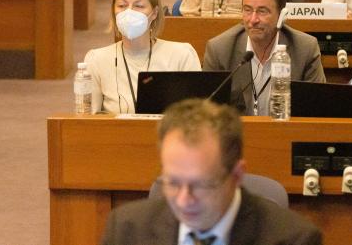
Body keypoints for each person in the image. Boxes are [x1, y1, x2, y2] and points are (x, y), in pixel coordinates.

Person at [102, 98, 323, 245]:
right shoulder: (126, 230)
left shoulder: (294, 239)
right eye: (173, 182)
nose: (184, 200)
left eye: (201, 185)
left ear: (237, 175)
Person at [204, 0, 326, 115]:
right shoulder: (219, 49)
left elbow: (317, 111)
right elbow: (208, 114)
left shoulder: (305, 49)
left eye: (262, 11)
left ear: (281, 15)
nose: (253, 20)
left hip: (288, 133)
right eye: (247, 10)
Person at [84, 0, 201, 114]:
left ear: (154, 13)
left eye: (139, 6)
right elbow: (86, 119)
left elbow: (196, 117)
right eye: (122, 5)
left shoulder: (182, 55)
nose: (129, 12)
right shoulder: (96, 60)